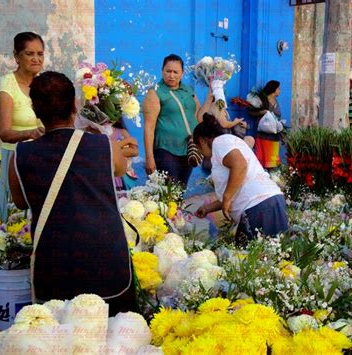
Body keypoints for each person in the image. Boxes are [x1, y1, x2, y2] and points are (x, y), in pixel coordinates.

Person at [9, 71, 137, 315]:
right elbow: (120, 167)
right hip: (107, 264)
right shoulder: (102, 145)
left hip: (55, 267)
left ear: (35, 110)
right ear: (75, 105)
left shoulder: (21, 155)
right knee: (116, 337)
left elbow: (20, 201)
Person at [194, 113, 288, 245]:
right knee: (266, 258)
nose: (200, 152)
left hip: (259, 206)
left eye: (198, 147)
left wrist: (226, 198)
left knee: (252, 260)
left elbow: (240, 165)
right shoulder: (228, 143)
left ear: (202, 140)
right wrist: (208, 208)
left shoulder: (219, 142)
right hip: (265, 203)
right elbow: (236, 188)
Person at [0, 32, 45, 222]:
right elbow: (4, 133)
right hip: (15, 160)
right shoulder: (8, 84)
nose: (36, 59)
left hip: (42, 158)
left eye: (40, 54)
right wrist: (31, 133)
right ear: (16, 56)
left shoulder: (43, 83)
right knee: (15, 220)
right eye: (29, 53)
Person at [143, 54, 207, 186]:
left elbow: (199, 116)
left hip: (189, 149)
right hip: (166, 150)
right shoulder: (155, 92)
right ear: (162, 71)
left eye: (175, 72)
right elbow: (149, 127)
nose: (171, 75)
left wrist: (212, 94)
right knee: (169, 191)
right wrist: (149, 158)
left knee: (181, 189)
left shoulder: (188, 91)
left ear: (182, 73)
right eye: (168, 71)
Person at [248, 80, 283, 169]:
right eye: (278, 88)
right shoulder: (262, 100)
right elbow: (251, 112)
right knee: (262, 161)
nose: (280, 90)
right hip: (263, 136)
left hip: (274, 136)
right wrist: (261, 112)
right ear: (273, 89)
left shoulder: (276, 101)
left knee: (272, 162)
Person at [111, 119, 139, 193]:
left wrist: (112, 152)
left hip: (124, 175)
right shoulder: (96, 132)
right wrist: (125, 142)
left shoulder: (122, 132)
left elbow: (134, 151)